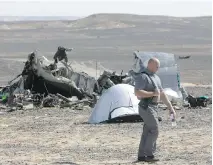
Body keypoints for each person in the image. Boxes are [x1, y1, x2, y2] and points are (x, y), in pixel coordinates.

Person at [134, 57, 176, 162]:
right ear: (150, 64)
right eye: (157, 65)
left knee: (147, 131)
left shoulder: (156, 78)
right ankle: (149, 155)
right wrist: (153, 93)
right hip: (146, 107)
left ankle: (142, 155)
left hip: (154, 107)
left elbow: (161, 94)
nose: (158, 67)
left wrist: (170, 108)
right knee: (155, 129)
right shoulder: (143, 76)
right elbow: (137, 93)